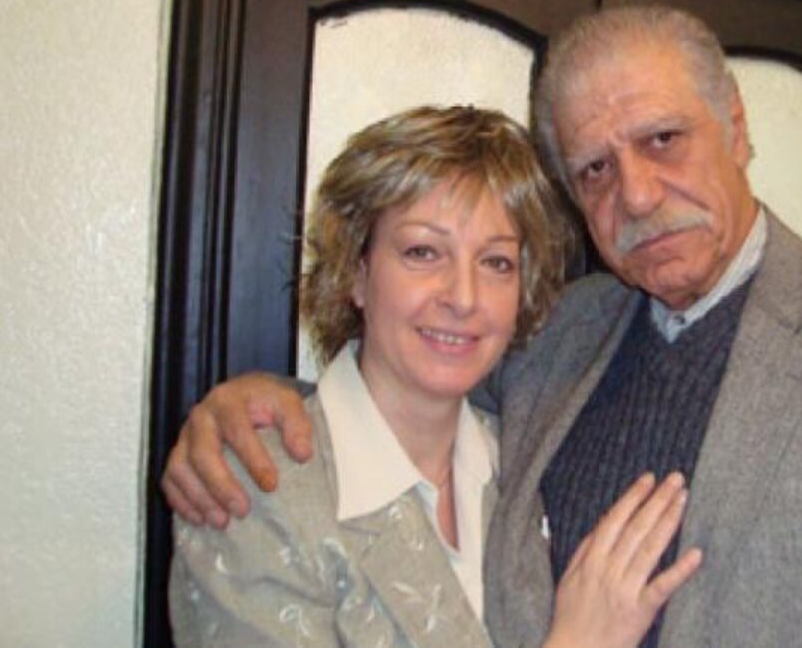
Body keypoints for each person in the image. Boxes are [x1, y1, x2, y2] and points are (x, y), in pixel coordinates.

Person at [165, 7, 802, 646]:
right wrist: (258, 407)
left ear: (735, 126)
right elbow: (401, 400)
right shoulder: (561, 332)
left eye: (664, 138)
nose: (637, 194)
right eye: (597, 168)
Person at [168, 105, 701, 647]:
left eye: (496, 262)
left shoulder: (520, 458)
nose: (464, 298)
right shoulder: (255, 489)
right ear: (356, 271)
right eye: (423, 252)